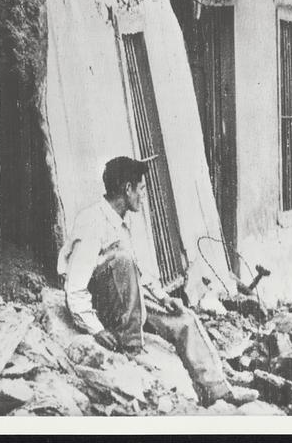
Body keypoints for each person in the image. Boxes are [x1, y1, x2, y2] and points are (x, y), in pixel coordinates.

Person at [57, 155, 234, 407]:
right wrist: (96, 329)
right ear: (127, 188)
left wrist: (164, 298)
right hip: (103, 304)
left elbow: (139, 272)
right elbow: (74, 288)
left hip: (125, 296)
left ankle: (218, 389)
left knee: (184, 318)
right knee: (120, 258)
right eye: (141, 189)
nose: (143, 196)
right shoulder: (92, 221)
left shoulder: (121, 222)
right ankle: (131, 349)